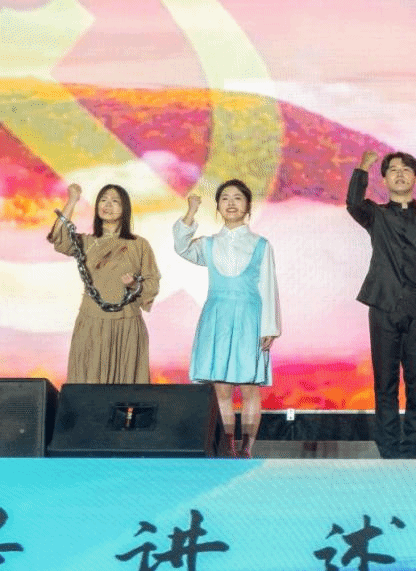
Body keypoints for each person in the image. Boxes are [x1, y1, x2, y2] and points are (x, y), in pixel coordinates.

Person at [347, 150, 416, 459]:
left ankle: (415, 447)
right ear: (384, 179)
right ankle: (388, 447)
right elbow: (353, 203)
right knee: (385, 381)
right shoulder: (375, 215)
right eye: (393, 170)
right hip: (383, 306)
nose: (400, 174)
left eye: (406, 169)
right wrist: (362, 167)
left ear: (415, 177)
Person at [173, 180, 281, 458]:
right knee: (221, 389)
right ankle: (228, 446)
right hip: (217, 318)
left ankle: (247, 447)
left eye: (237, 198)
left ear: (248, 206)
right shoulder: (209, 244)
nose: (231, 203)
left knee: (249, 388)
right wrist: (191, 212)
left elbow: (269, 286)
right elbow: (182, 247)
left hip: (249, 318)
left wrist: (270, 326)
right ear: (218, 207)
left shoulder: (261, 245)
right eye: (225, 198)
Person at [48, 183, 160, 384]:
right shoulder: (86, 242)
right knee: (89, 384)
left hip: (126, 326)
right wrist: (72, 201)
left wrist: (134, 284)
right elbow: (59, 238)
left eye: (115, 201)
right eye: (103, 200)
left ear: (125, 209)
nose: (107, 205)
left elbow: (152, 284)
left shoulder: (139, 245)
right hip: (91, 324)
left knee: (126, 388)